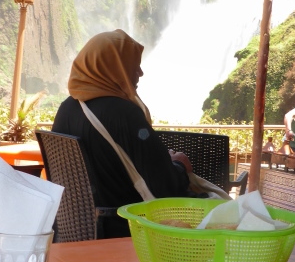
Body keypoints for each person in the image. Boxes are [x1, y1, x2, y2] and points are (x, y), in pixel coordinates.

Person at [52, 29, 194, 238]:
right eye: (132, 65)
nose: (140, 72)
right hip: (124, 226)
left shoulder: (67, 108)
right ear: (114, 66)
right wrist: (180, 166)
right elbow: (164, 188)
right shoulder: (124, 113)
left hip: (74, 227)